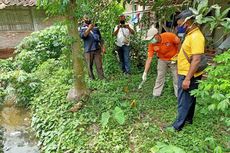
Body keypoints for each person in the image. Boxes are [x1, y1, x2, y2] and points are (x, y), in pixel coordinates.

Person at [170, 9, 205, 131]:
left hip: (187, 74)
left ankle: (177, 126)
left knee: (183, 100)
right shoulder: (191, 35)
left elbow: (196, 60)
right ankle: (188, 119)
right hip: (187, 72)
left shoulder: (196, 36)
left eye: (180, 25)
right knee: (190, 98)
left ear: (187, 22)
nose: (179, 27)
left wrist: (187, 79)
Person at [142, 26, 180, 97]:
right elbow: (149, 58)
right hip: (162, 60)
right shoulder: (151, 44)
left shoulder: (169, 36)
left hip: (174, 59)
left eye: (152, 38)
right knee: (160, 76)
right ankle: (156, 94)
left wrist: (178, 55)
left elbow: (179, 44)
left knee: (176, 77)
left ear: (157, 35)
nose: (151, 41)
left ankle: (178, 95)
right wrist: (145, 72)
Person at [80, 15, 105, 80]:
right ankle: (92, 79)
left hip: (97, 49)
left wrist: (103, 47)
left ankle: (102, 79)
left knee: (99, 65)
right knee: (89, 66)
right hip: (88, 50)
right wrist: (89, 28)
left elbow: (100, 38)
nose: (88, 19)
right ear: (83, 19)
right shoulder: (81, 28)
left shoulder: (96, 27)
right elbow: (84, 36)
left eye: (88, 17)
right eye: (86, 18)